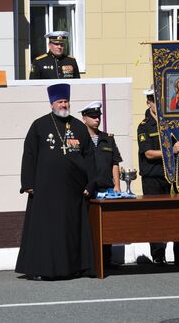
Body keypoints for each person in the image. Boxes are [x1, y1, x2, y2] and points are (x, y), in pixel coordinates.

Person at [16, 83, 97, 280]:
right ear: (52, 103)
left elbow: (90, 157)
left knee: (70, 231)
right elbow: (29, 155)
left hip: (72, 191)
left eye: (66, 101)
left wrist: (90, 184)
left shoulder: (78, 126)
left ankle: (73, 268)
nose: (63, 104)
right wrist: (28, 183)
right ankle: (41, 269)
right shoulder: (39, 125)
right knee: (46, 232)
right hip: (45, 189)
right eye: (60, 101)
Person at [137, 85, 179, 266]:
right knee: (155, 217)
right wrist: (170, 151)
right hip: (153, 177)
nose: (157, 104)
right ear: (148, 102)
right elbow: (148, 154)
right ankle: (158, 255)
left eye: (160, 100)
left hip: (173, 176)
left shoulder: (172, 122)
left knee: (177, 215)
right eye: (154, 100)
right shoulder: (144, 126)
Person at [80, 100, 122, 268]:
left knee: (106, 227)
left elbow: (115, 163)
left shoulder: (107, 139)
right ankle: (90, 261)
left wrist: (117, 185)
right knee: (89, 227)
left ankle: (106, 260)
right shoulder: (79, 140)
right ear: (84, 118)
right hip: (88, 190)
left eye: (98, 116)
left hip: (106, 188)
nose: (97, 119)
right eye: (93, 116)